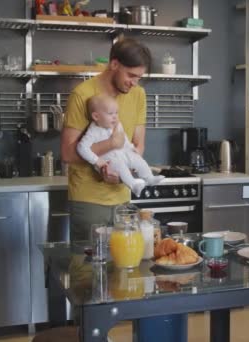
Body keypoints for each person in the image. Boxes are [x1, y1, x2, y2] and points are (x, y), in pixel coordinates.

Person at [61, 37, 151, 241]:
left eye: (139, 77)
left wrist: (125, 171)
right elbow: (67, 152)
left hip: (123, 198)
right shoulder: (82, 94)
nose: (134, 83)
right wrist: (111, 145)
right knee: (88, 268)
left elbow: (139, 144)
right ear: (114, 64)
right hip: (90, 201)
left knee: (123, 267)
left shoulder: (138, 94)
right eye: (131, 75)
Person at [76, 94, 164, 197]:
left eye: (116, 113)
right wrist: (96, 160)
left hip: (122, 154)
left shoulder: (117, 125)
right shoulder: (93, 131)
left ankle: (149, 178)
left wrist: (131, 148)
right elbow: (81, 147)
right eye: (110, 113)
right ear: (96, 116)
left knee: (138, 159)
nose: (115, 117)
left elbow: (124, 140)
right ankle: (134, 185)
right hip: (109, 161)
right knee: (120, 166)